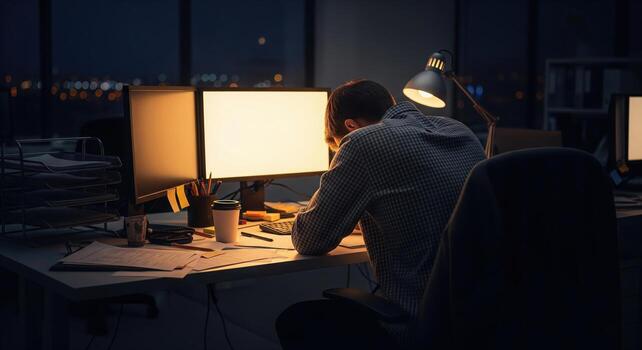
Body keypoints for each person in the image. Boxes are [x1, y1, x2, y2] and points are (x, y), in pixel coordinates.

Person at [276, 79, 485, 348]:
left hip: (416, 323)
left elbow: (309, 240)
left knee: (295, 320)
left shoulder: (361, 142)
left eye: (339, 147)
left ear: (350, 127)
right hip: (478, 317)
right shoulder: (458, 130)